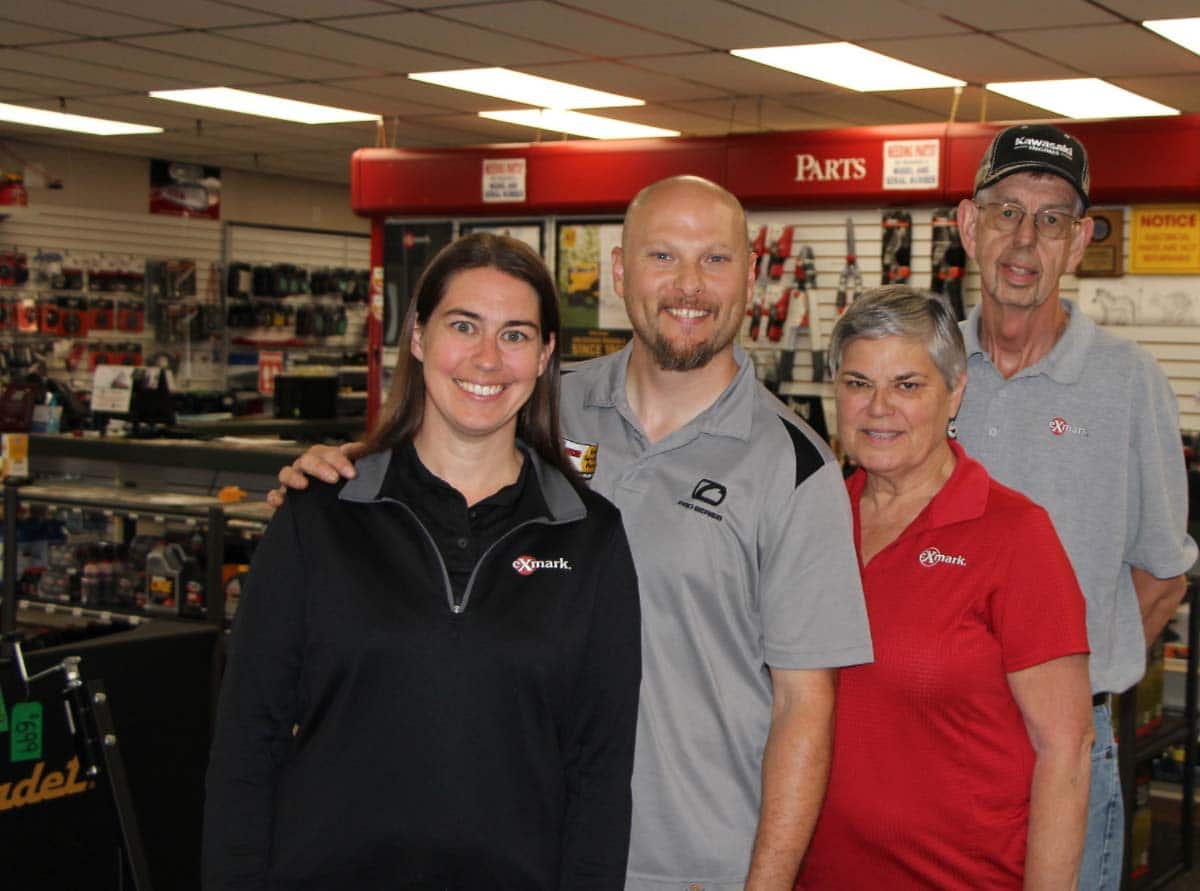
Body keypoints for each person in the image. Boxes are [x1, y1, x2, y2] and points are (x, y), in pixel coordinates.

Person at [272, 175, 874, 890]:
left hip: (688, 867)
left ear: (751, 274)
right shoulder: (539, 406)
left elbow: (806, 706)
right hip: (521, 845)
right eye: (662, 257)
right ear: (619, 272)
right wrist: (337, 477)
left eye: (715, 259)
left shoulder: (797, 466)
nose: (689, 285)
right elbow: (424, 472)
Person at [204, 232, 642, 889]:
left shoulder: (590, 535)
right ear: (417, 335)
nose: (487, 358)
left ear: (547, 353)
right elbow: (246, 745)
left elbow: (600, 776)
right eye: (463, 325)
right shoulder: (320, 514)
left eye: (516, 334)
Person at [955, 123, 1198, 890]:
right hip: (933, 734)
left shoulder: (1128, 385)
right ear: (969, 225)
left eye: (1052, 218)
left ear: (1079, 241)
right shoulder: (920, 373)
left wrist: (1063, 694)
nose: (1025, 239)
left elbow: (1164, 575)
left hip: (1063, 748)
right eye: (1006, 211)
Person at [795, 287, 1093, 889]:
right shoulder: (810, 518)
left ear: (955, 392)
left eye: (907, 385)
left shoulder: (1014, 535)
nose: (879, 408)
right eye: (857, 384)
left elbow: (1068, 749)